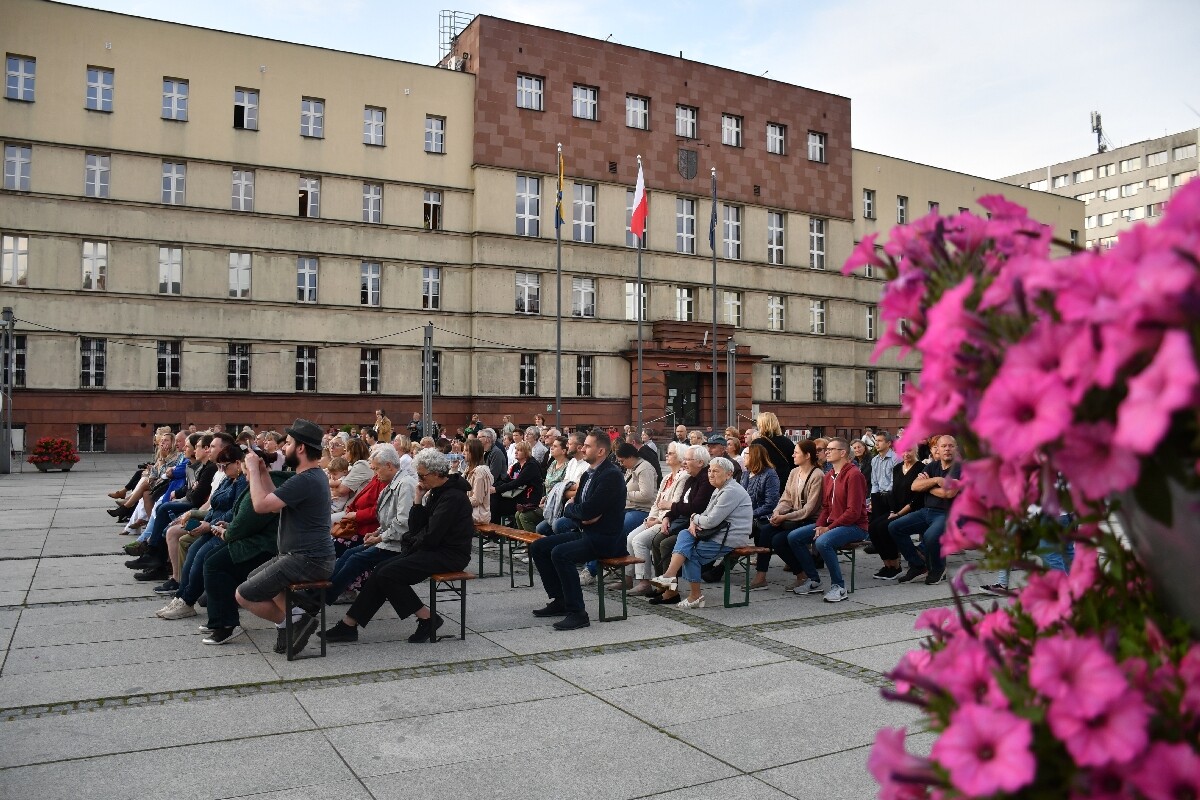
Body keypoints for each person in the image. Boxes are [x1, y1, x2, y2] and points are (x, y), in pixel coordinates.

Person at [321, 448, 474, 644]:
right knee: (381, 571)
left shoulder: (453, 497)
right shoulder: (435, 491)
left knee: (387, 573)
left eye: (422, 475)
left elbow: (432, 535)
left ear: (436, 474)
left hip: (449, 554)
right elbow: (418, 526)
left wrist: (409, 543)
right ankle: (349, 624)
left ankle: (427, 618)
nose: (419, 479)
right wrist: (418, 501)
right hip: (431, 548)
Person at [233, 419, 335, 655]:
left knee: (243, 595)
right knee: (255, 578)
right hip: (306, 557)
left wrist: (251, 470)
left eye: (287, 443)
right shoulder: (311, 477)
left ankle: (296, 621)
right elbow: (274, 503)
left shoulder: (305, 480)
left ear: (300, 448)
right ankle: (292, 621)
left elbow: (259, 505)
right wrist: (261, 471)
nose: (282, 448)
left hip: (308, 560)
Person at [529, 431, 627, 630]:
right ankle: (561, 600)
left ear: (600, 451)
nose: (583, 448)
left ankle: (578, 612)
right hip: (587, 531)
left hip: (606, 538)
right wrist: (574, 509)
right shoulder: (588, 473)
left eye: (588, 446)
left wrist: (575, 509)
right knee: (539, 546)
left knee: (560, 554)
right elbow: (579, 508)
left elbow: (588, 510)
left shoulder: (611, 475)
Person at [650, 457, 752, 608]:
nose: (711, 474)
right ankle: (670, 576)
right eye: (710, 470)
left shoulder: (730, 491)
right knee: (685, 533)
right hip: (717, 533)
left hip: (730, 537)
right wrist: (695, 520)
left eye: (716, 471)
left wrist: (693, 518)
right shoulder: (720, 488)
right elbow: (705, 514)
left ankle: (695, 596)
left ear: (729, 474)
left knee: (691, 556)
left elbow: (710, 520)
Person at [321, 444, 417, 605]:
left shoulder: (404, 484)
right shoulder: (392, 481)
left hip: (397, 543)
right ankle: (321, 593)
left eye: (376, 468)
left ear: (388, 465)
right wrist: (377, 533)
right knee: (349, 555)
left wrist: (378, 537)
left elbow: (402, 523)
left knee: (355, 558)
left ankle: (321, 598)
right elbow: (386, 517)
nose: (375, 473)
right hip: (387, 538)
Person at [780, 438, 869, 603]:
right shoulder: (829, 476)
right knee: (794, 537)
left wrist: (828, 528)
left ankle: (839, 587)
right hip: (832, 523)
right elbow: (826, 507)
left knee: (823, 542)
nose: (826, 452)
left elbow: (854, 512)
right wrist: (821, 525)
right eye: (826, 449)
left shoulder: (854, 474)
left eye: (831, 449)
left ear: (843, 453)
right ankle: (814, 580)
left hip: (855, 526)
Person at [888, 435, 962, 585]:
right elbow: (914, 486)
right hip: (927, 511)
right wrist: (936, 480)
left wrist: (927, 487)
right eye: (943, 446)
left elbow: (948, 493)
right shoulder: (932, 466)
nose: (947, 449)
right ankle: (917, 566)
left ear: (956, 449)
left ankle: (938, 569)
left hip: (948, 513)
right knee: (894, 527)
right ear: (937, 450)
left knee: (930, 536)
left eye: (950, 446)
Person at [649, 445, 715, 599]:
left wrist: (671, 507)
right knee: (656, 539)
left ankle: (671, 591)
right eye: (684, 459)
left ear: (700, 462)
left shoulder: (705, 480)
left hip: (696, 524)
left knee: (666, 544)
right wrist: (667, 517)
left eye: (688, 459)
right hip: (682, 520)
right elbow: (680, 504)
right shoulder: (690, 478)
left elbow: (695, 507)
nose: (684, 462)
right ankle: (662, 586)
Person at [760, 439, 825, 589]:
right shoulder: (794, 472)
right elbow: (786, 498)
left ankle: (806, 574)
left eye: (796, 452)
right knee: (765, 530)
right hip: (794, 518)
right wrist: (777, 512)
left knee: (780, 540)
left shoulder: (817, 475)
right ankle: (760, 575)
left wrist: (784, 517)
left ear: (807, 455)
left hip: (809, 520)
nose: (793, 455)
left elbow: (809, 510)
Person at [627, 442, 689, 596]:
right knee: (630, 537)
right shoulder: (668, 477)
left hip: (669, 521)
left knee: (639, 541)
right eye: (667, 452)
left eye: (671, 453)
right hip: (657, 518)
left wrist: (658, 520)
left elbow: (673, 505)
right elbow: (657, 502)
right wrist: (651, 517)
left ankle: (645, 581)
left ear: (681, 457)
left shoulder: (683, 477)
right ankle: (630, 578)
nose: (667, 455)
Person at [739, 441, 781, 590]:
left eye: (747, 455)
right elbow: (740, 498)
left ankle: (760, 577)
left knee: (764, 533)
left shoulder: (770, 474)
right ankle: (715, 568)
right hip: (747, 517)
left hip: (764, 517)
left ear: (755, 456)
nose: (744, 457)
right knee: (730, 530)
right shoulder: (745, 474)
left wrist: (750, 514)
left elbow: (771, 504)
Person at [866, 432, 902, 579]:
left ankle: (896, 565)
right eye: (876, 440)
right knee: (873, 529)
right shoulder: (875, 460)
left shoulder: (896, 459)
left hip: (891, 497)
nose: (877, 443)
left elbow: (896, 481)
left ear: (888, 443)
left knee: (885, 529)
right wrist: (873, 499)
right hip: (878, 496)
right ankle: (886, 564)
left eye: (881, 441)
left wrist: (888, 496)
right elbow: (874, 481)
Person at [492, 440, 544, 523]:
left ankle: (495, 530)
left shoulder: (531, 466)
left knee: (496, 504)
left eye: (519, 450)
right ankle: (493, 529)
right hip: (517, 495)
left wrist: (496, 489)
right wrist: (493, 486)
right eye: (516, 449)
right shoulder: (517, 465)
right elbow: (507, 480)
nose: (516, 452)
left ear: (526, 452)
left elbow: (516, 483)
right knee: (493, 497)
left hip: (529, 499)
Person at [617, 441, 657, 534]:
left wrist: (624, 494)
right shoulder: (631, 468)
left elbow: (646, 495)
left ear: (630, 456)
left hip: (642, 510)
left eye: (622, 461)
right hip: (629, 508)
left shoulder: (645, 468)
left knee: (621, 528)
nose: (621, 464)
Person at [754, 411, 796, 486]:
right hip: (784, 483)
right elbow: (794, 464)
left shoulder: (757, 443)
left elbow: (754, 466)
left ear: (761, 425)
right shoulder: (788, 442)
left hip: (764, 484)